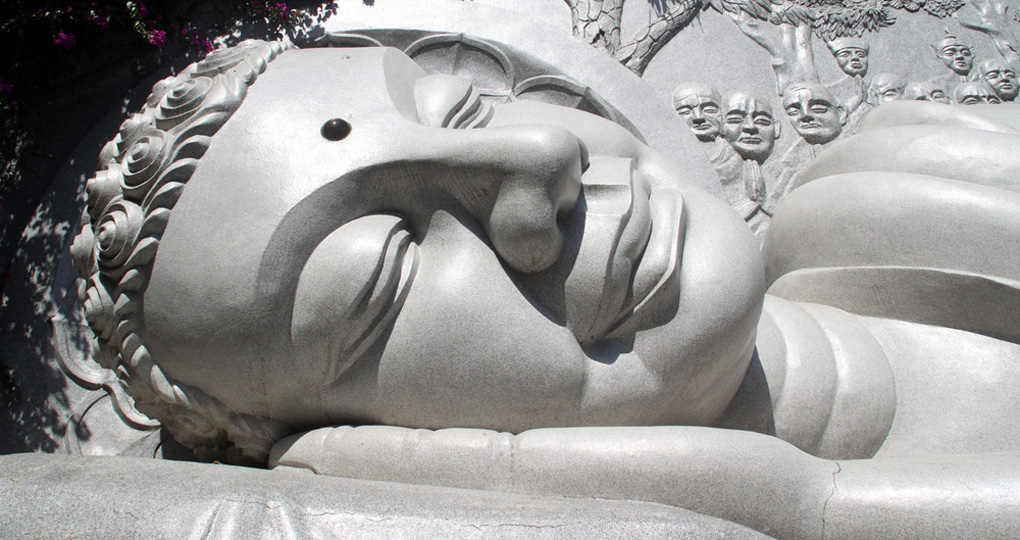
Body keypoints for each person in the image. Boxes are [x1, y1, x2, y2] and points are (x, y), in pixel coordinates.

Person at [63, 41, 1020, 540]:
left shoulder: (919, 173)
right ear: (364, 448)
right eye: (377, 281)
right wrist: (800, 510)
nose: (541, 159)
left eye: (470, 110)